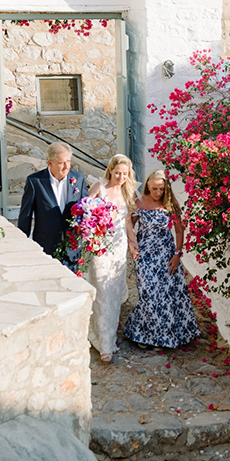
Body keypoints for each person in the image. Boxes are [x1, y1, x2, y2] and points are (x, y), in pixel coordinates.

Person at [124, 169, 199, 350]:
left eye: (161, 189)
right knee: (148, 294)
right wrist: (132, 245)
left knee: (165, 296)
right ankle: (143, 332)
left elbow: (180, 231)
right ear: (148, 185)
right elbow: (129, 225)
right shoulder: (138, 203)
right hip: (145, 256)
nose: (158, 193)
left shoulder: (170, 204)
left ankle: (162, 337)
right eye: (155, 188)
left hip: (166, 255)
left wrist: (177, 255)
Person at [87, 154, 137, 362]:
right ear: (110, 170)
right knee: (101, 289)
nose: (121, 177)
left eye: (125, 174)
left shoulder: (128, 191)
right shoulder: (99, 187)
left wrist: (133, 244)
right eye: (118, 173)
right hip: (99, 245)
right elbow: (86, 214)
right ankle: (103, 343)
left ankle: (108, 338)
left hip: (118, 248)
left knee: (114, 293)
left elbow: (127, 223)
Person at [17, 142, 88, 264]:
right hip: (45, 246)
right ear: (50, 163)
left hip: (72, 248)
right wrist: (23, 245)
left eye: (68, 161)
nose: (66, 166)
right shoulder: (35, 181)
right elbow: (26, 216)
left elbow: (86, 209)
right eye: (61, 163)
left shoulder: (79, 179)